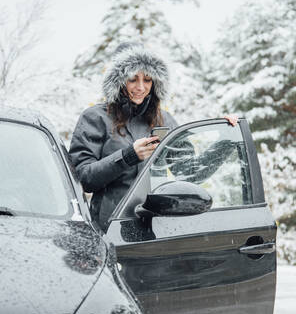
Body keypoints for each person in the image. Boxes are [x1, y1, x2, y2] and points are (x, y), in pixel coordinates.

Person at [69, 42, 237, 234]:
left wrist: (226, 138)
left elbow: (190, 172)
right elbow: (83, 178)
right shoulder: (95, 117)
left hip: (158, 228)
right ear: (118, 81)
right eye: (133, 79)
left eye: (147, 80)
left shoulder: (164, 120)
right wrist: (128, 156)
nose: (140, 87)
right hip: (110, 228)